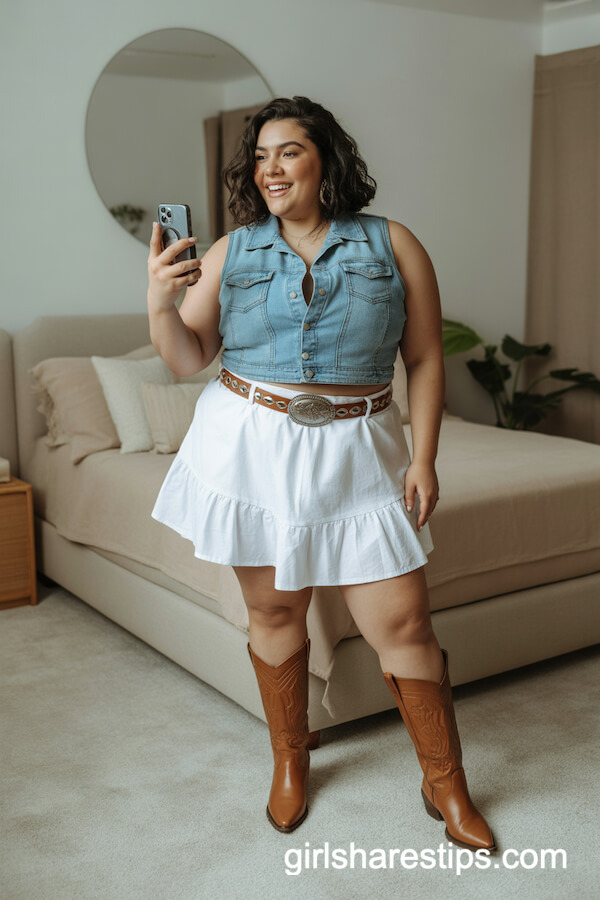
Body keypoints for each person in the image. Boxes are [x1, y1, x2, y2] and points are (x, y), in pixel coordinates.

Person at [147, 96, 495, 851]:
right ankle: (290, 758)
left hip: (359, 447)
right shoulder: (233, 250)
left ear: (325, 158)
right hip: (250, 442)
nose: (270, 169)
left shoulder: (393, 243)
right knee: (275, 612)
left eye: (289, 151)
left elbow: (425, 358)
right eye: (260, 157)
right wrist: (159, 300)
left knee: (404, 621)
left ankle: (446, 782)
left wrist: (425, 457)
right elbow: (186, 357)